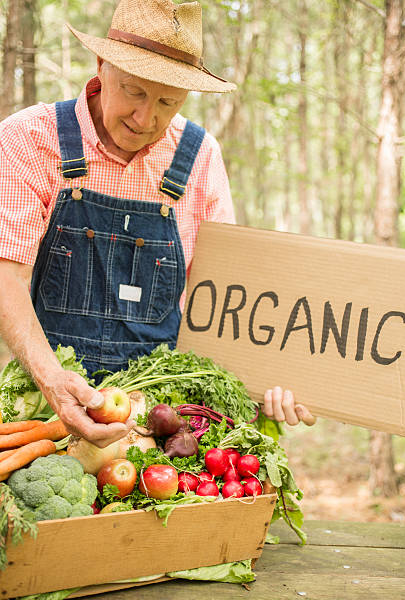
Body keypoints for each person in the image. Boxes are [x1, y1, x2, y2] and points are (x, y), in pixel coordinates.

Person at [0, 0, 315, 447]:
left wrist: (270, 378)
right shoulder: (30, 139)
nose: (145, 118)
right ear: (101, 65)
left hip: (161, 419)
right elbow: (6, 275)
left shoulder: (200, 159)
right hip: (42, 411)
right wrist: (53, 382)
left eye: (168, 101)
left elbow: (226, 304)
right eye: (134, 91)